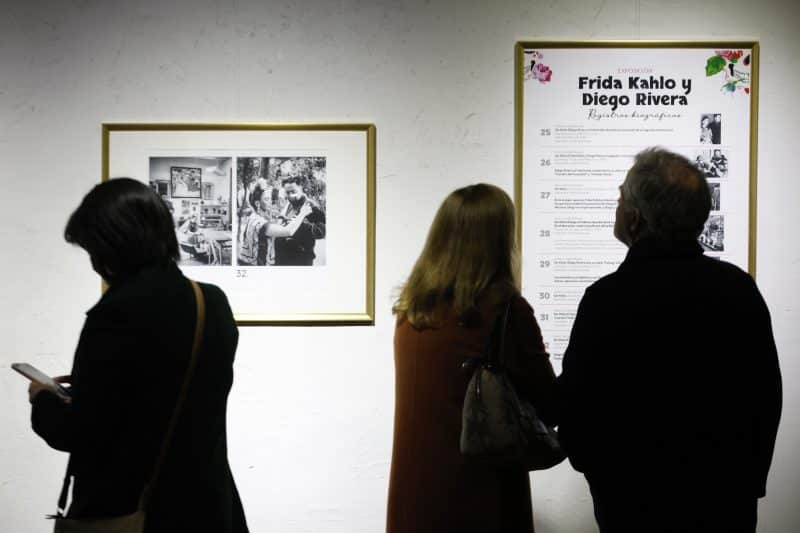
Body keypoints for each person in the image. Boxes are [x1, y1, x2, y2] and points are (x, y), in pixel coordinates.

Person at [557, 148, 781, 533]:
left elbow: (579, 407)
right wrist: (746, 483)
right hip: (724, 503)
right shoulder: (738, 289)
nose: (616, 207)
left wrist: (598, 471)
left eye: (620, 198)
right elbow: (764, 397)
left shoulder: (607, 299)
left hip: (632, 503)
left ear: (635, 218)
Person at [28, 178, 249, 532]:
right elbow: (171, 394)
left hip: (134, 510)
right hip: (208, 508)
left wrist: (43, 399)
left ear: (112, 246)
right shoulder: (212, 302)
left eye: (93, 250)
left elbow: (80, 433)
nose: (94, 263)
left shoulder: (115, 314)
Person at [387, 184, 557, 533]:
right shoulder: (503, 310)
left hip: (414, 496)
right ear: (499, 241)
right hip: (479, 495)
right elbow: (550, 406)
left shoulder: (412, 310)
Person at [238, 184, 312, 266]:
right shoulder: (260, 223)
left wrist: (283, 214)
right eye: (266, 199)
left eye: (270, 198)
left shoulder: (253, 217)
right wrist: (303, 213)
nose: (270, 202)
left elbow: (274, 228)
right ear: (257, 203)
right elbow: (288, 231)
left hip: (248, 263)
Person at [273, 176, 326, 266]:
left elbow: (322, 232)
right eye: (288, 192)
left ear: (301, 189)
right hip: (283, 258)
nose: (290, 196)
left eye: (293, 192)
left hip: (300, 259)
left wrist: (303, 225)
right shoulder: (289, 205)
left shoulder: (311, 207)